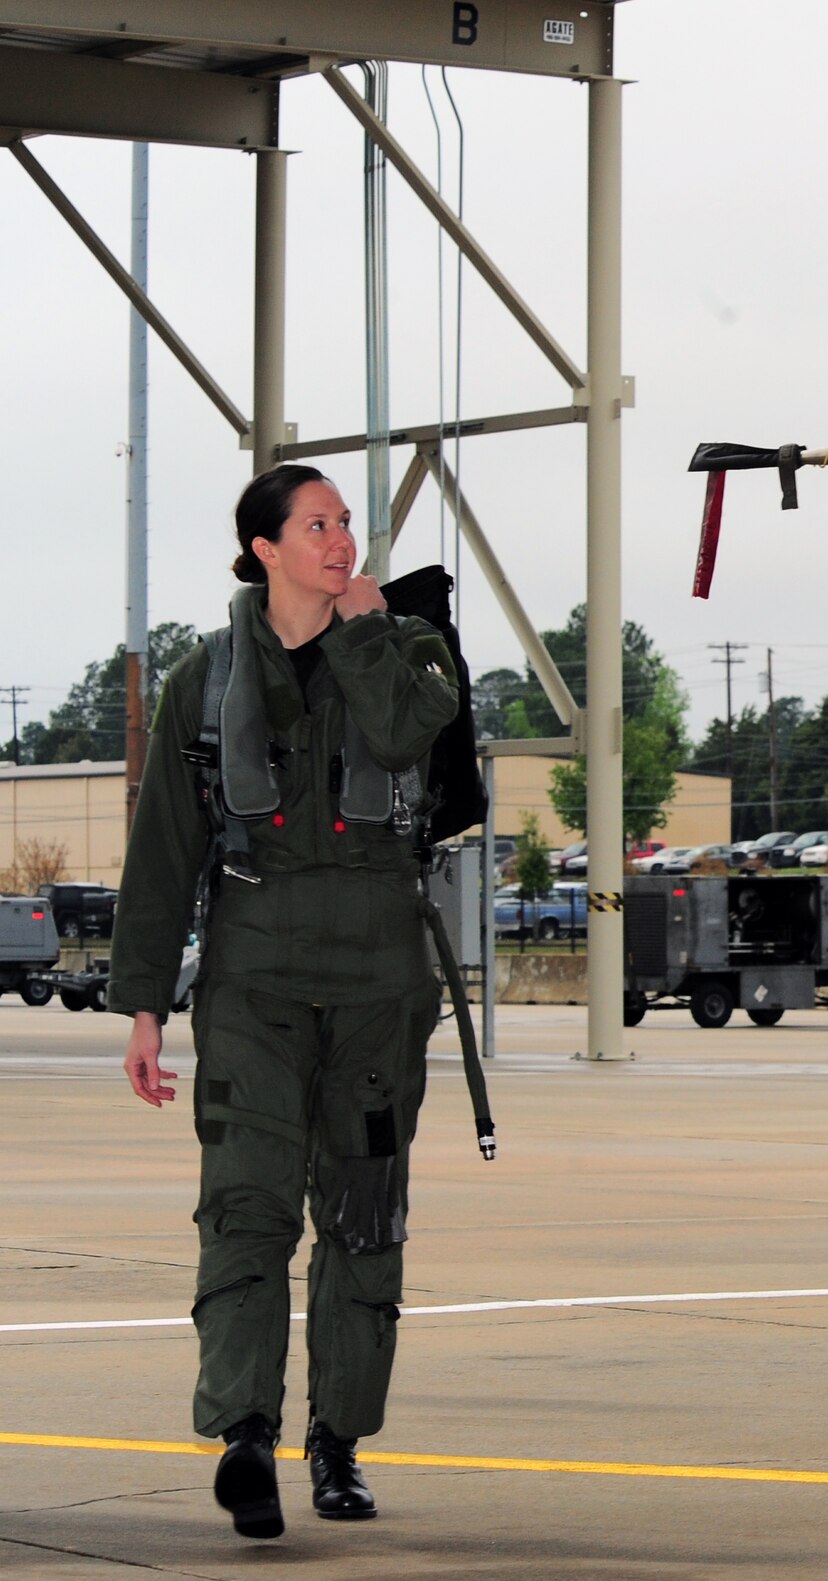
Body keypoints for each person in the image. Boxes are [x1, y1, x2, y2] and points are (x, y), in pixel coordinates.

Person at [111, 464, 459, 1540]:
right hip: (252, 980)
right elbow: (164, 849)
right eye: (318, 525)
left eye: (348, 523)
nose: (342, 540)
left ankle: (338, 1442)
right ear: (264, 547)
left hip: (377, 985)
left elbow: (407, 738)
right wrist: (143, 1009)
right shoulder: (202, 681)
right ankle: (248, 1437)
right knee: (248, 1208)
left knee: (361, 1220)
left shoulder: (413, 650)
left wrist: (365, 630)